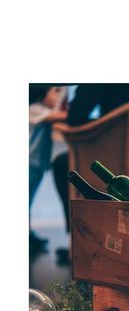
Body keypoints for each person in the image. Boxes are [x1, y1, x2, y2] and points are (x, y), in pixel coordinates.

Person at [52, 83, 129, 262]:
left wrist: (106, 122)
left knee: (62, 164)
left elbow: (76, 116)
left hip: (114, 164)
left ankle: (80, 242)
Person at [29, 85, 67, 253]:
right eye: (56, 91)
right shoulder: (34, 109)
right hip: (29, 163)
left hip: (36, 164)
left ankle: (28, 234)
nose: (58, 96)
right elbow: (61, 116)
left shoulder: (40, 110)